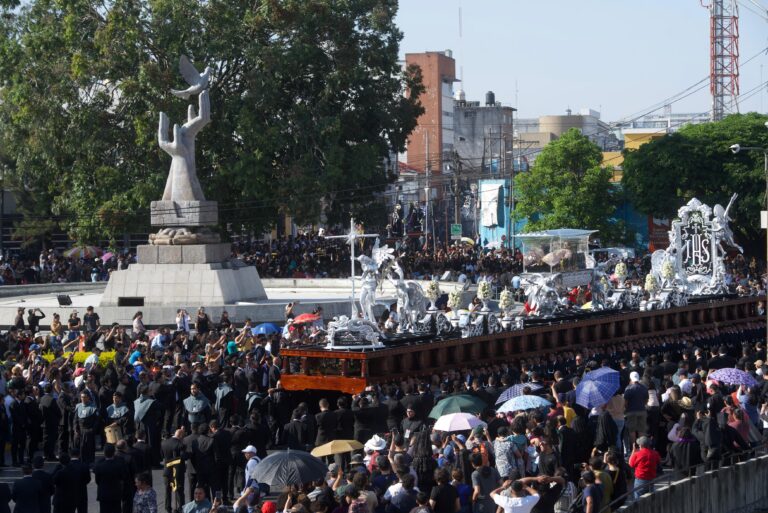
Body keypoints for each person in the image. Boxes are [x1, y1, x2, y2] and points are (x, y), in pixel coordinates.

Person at [94, 443, 129, 513]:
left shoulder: (99, 465)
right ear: (114, 453)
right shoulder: (119, 464)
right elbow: (124, 477)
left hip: (103, 494)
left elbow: (97, 480)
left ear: (104, 453)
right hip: (116, 493)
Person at [163, 428, 188, 513]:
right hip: (178, 471)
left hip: (167, 470)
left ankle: (168, 508)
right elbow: (183, 456)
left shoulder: (164, 443)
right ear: (180, 435)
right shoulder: (181, 445)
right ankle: (181, 508)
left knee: (167, 490)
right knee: (179, 490)